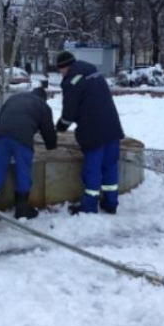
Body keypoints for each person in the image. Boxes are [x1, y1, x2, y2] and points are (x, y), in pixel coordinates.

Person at [56, 51, 125, 215]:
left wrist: (60, 127)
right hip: (112, 126)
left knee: (92, 169)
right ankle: (111, 202)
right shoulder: (91, 70)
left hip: (93, 131)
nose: (60, 73)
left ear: (64, 67)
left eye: (60, 70)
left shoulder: (71, 81)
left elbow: (69, 113)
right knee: (110, 166)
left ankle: (89, 206)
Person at [0, 87, 57, 226]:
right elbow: (48, 130)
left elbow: (1, 116)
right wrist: (51, 145)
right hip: (22, 139)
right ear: (43, 98)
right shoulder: (42, 105)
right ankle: (22, 210)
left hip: (1, 136)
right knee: (23, 171)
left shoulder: (15, 98)